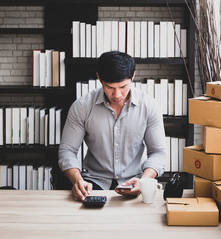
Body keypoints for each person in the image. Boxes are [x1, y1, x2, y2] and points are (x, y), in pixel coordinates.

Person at [58, 51, 166, 201]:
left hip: (135, 181)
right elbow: (67, 150)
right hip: (93, 182)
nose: (117, 95)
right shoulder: (82, 107)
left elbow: (158, 153)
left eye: (123, 87)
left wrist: (144, 181)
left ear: (133, 77)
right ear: (99, 78)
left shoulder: (149, 106)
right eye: (109, 87)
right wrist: (77, 180)